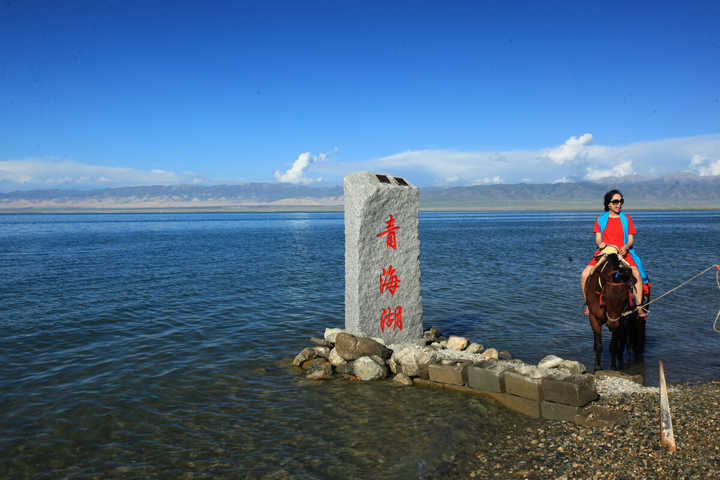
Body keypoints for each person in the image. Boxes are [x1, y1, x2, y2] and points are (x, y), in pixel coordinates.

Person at [581, 189, 648, 317]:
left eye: (621, 201)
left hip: (623, 254)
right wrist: (600, 244)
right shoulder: (600, 219)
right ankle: (588, 304)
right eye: (615, 201)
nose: (619, 204)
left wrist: (626, 246)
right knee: (584, 275)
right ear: (608, 204)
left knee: (637, 275)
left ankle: (639, 306)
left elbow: (630, 239)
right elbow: (598, 238)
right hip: (605, 253)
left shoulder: (627, 219)